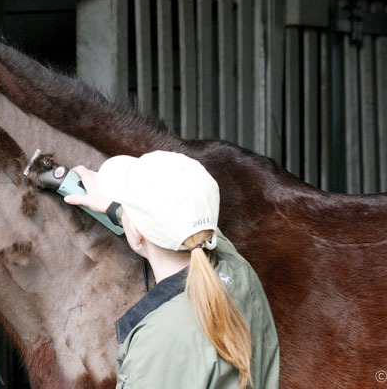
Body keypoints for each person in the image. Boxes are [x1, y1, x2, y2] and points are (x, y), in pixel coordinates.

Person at [65, 151, 280, 389]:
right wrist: (121, 212)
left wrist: (122, 211)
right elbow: (199, 230)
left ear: (135, 233)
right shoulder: (240, 272)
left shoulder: (154, 342)